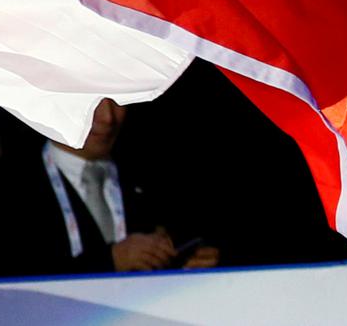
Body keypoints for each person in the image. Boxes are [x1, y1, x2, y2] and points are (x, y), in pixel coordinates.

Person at [22, 98, 220, 274]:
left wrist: (188, 266)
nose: (108, 117)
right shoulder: (9, 185)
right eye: (92, 101)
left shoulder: (153, 174)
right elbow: (9, 278)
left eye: (118, 100)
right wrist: (111, 260)